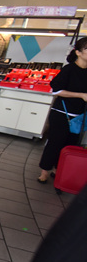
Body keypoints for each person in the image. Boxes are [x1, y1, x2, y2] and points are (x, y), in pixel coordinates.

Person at [38, 37, 87, 183]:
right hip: (61, 114)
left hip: (79, 116)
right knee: (55, 143)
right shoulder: (69, 69)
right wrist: (80, 95)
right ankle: (44, 172)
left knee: (70, 145)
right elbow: (56, 90)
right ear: (78, 52)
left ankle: (58, 170)